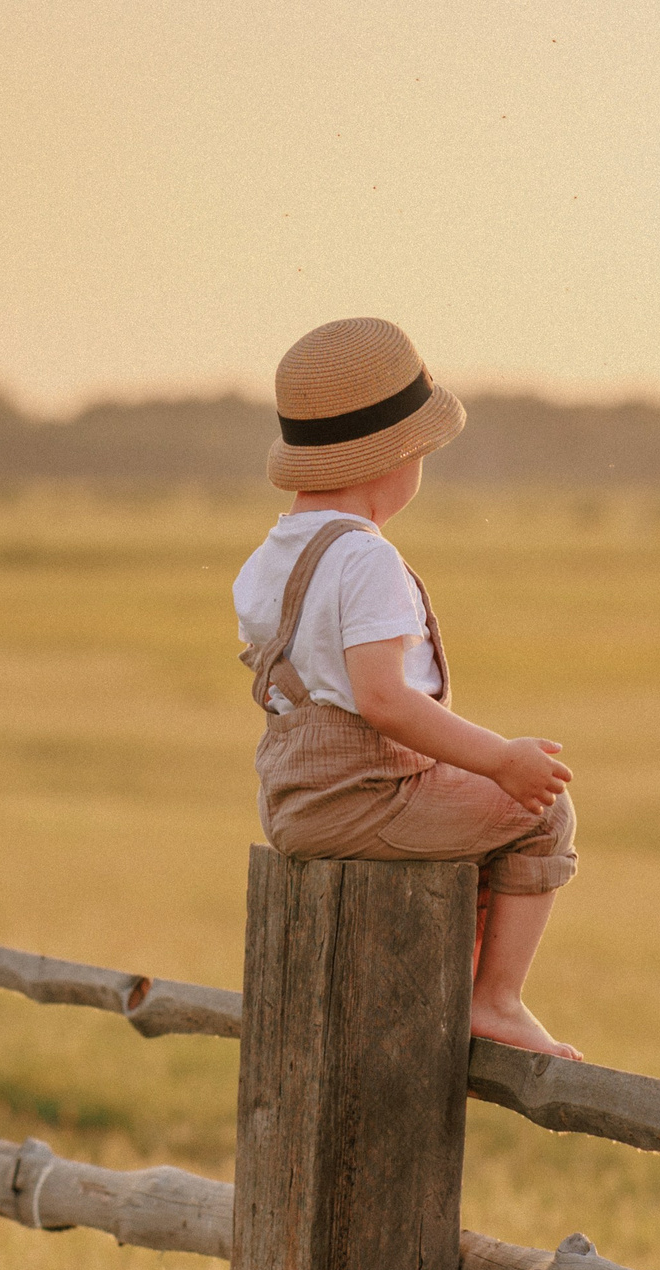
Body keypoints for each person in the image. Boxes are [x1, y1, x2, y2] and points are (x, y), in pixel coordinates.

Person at [233, 317, 579, 1059]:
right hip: (367, 794)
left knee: (473, 818)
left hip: (294, 799)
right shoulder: (367, 561)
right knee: (541, 812)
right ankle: (495, 999)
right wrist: (497, 760)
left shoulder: (268, 559)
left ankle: (470, 982)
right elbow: (383, 699)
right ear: (396, 458)